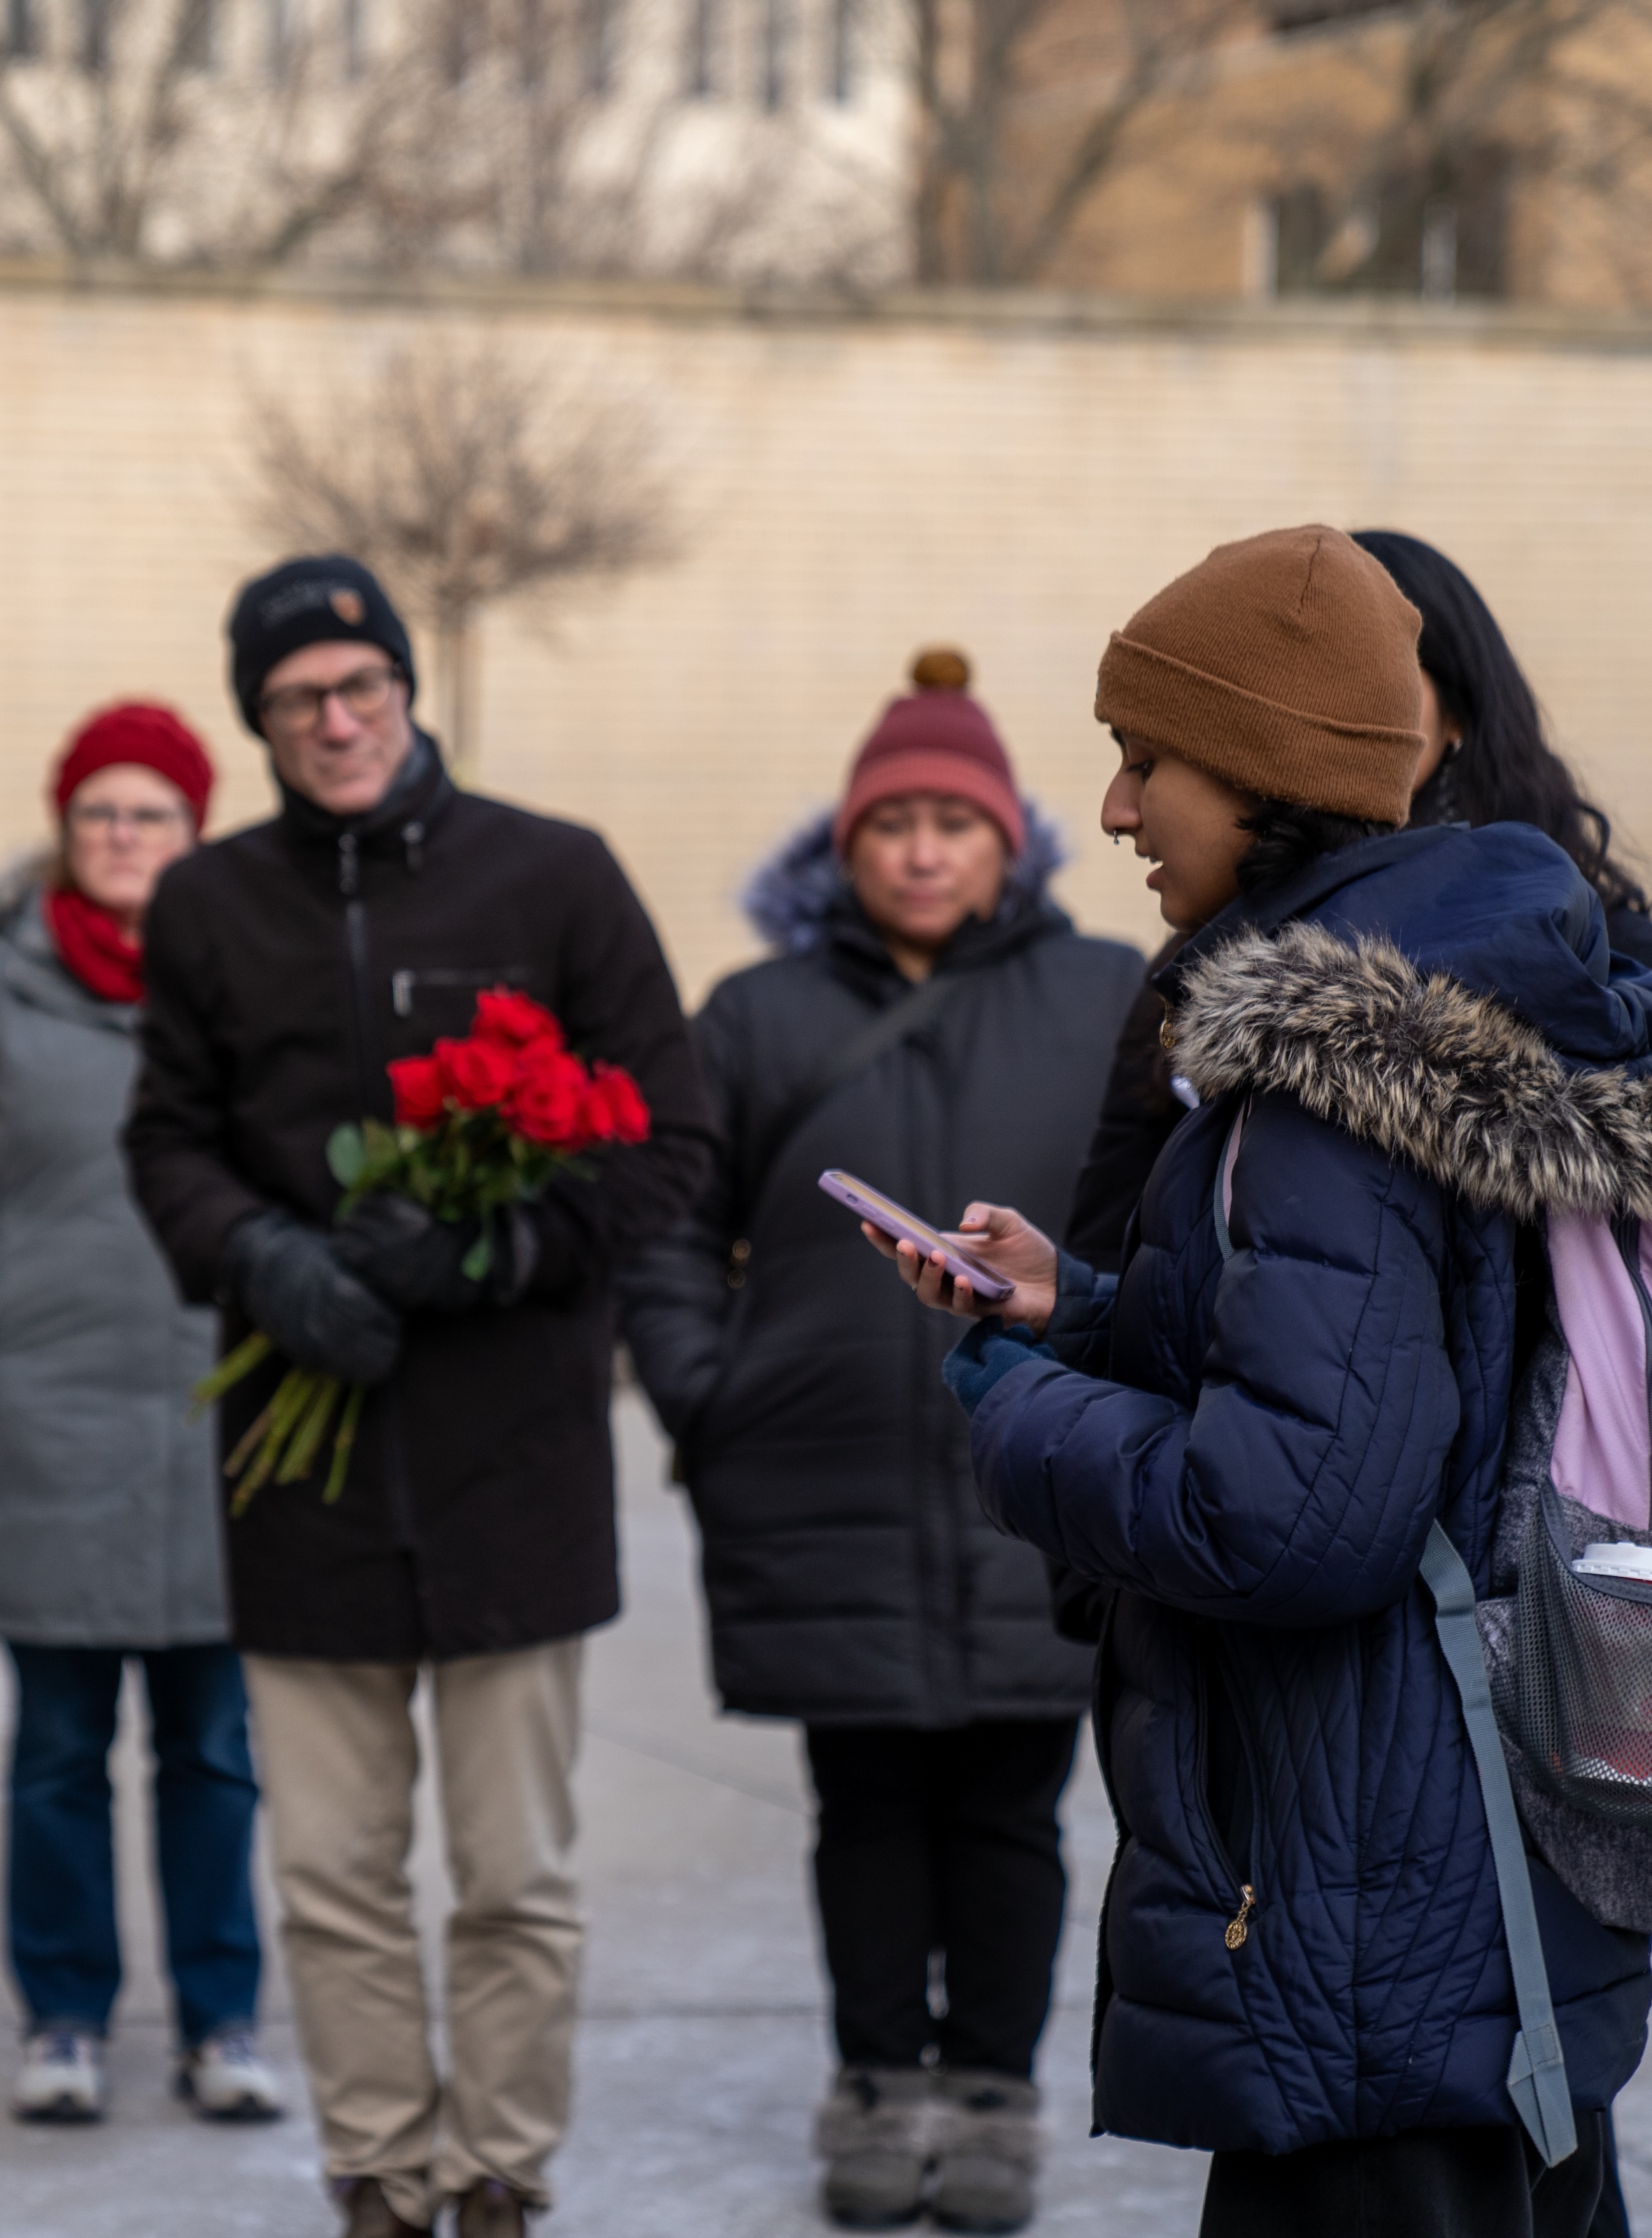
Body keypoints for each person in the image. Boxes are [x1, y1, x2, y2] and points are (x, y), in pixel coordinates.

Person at [895, 527, 1652, 2235]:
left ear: (1264, 774)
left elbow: (1283, 1521)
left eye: (1144, 762)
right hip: (1464, 1889)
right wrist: (1090, 1310)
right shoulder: (1449, 1014)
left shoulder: (1319, 1077)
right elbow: (1388, 1391)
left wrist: (1009, 1398)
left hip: (1365, 1912)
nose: (1113, 813)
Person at [127, 555, 715, 2238]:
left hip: (507, 1465)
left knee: (514, 1876)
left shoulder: (554, 879)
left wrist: (504, 1249)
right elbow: (161, 1138)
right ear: (257, 719)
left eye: (359, 687)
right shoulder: (208, 906)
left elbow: (666, 1143)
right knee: (328, 1877)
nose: (335, 720)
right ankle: (379, 2173)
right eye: (298, 698)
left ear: (403, 685)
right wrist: (258, 1259)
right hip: (298, 1468)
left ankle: (497, 2176)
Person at [618, 649, 1141, 2235]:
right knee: (860, 1809)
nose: (920, 849)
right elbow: (660, 1229)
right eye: (890, 821)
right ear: (841, 846)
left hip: (1038, 1481)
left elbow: (1160, 1220)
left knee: (1008, 1810)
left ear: (1010, 843)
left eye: (951, 822)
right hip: (815, 1485)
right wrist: (708, 1396)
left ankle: (988, 2091)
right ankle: (872, 2078)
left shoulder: (1105, 992)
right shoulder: (754, 1014)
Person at [0, 701, 282, 2128]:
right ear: (64, 827)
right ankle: (63, 2018)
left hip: (222, 1420)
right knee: (56, 1753)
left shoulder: (245, 981)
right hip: (44, 1424)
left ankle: (224, 2020)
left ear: (195, 830)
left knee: (216, 1749)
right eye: (99, 812)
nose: (124, 838)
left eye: (151, 814)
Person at [1064, 529, 1652, 1299]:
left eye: (1384, 680)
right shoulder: (1210, 977)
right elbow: (1143, 1283)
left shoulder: (1630, 975)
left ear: (1456, 714)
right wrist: (1065, 1314)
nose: (1347, 711)